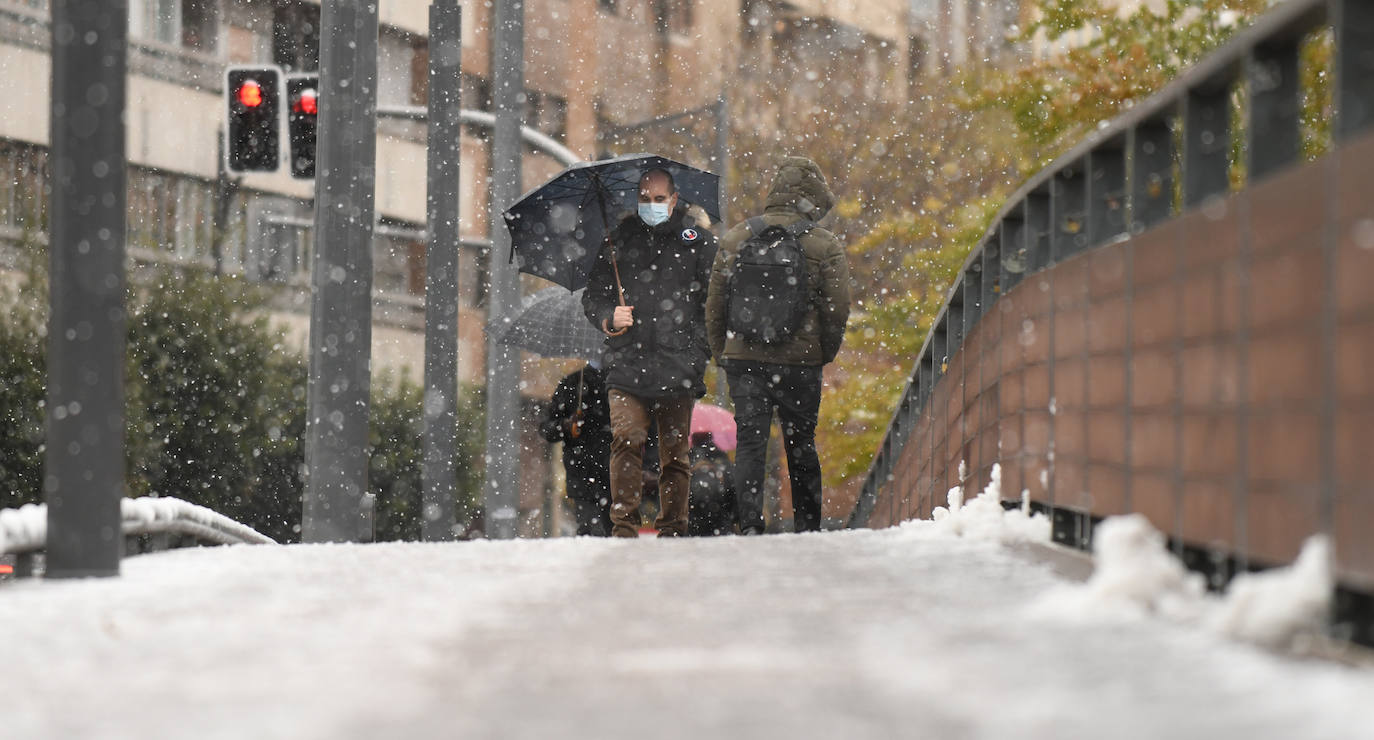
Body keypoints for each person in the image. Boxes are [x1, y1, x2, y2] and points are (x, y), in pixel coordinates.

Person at [705, 156, 851, 534]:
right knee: (800, 441)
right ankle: (807, 527)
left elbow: (715, 302)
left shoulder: (738, 236)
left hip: (744, 358)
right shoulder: (824, 244)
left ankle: (750, 524)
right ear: (810, 197)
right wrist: (824, 351)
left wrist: (722, 351)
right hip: (800, 362)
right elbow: (837, 308)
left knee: (751, 442)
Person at [582, 168, 718, 538]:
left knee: (675, 455)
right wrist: (610, 316)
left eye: (659, 199)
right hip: (627, 363)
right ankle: (623, 527)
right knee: (626, 439)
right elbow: (593, 297)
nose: (652, 205)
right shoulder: (617, 243)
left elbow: (714, 304)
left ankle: (673, 527)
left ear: (674, 200)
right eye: (645, 198)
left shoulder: (699, 243)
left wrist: (697, 353)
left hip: (679, 366)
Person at [540, 361, 612, 536]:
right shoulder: (572, 384)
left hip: (615, 474)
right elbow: (547, 428)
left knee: (613, 534)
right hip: (582, 474)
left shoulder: (622, 384)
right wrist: (565, 425)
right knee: (591, 531)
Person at [687, 432, 736, 537]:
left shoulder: (685, 460)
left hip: (692, 526)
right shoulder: (723, 459)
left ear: (693, 440)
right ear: (711, 438)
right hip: (721, 525)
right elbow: (733, 492)